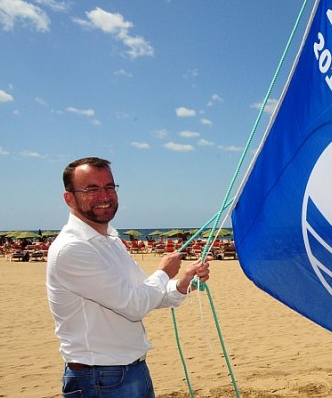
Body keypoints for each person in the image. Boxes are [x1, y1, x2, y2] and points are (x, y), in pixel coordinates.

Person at [46, 157, 211, 397]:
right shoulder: (72, 248)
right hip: (99, 378)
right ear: (69, 198)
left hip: (131, 370)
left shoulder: (111, 241)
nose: (104, 196)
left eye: (109, 187)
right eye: (91, 189)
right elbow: (134, 306)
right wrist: (164, 271)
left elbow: (145, 292)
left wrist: (183, 282)